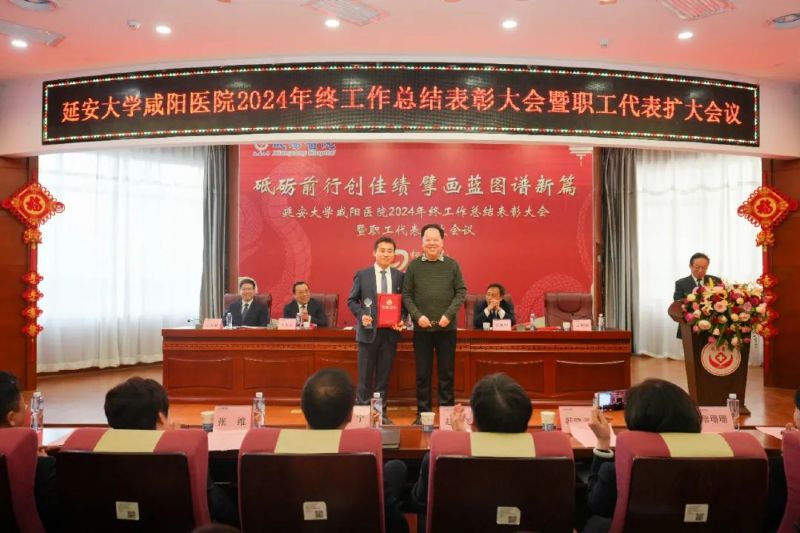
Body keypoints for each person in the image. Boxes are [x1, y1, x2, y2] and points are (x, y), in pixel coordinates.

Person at [104, 377, 238, 526]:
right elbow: (219, 508)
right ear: (161, 417)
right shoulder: (183, 457)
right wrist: (177, 441)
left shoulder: (103, 459)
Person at [584, 378, 702, 532]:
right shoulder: (714, 462)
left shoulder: (618, 471)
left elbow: (596, 505)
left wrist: (603, 442)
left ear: (635, 418)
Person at [300, 368, 408, 533]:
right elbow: (399, 527)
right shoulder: (365, 465)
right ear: (350, 415)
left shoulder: (278, 460)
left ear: (303, 410)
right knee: (396, 469)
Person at [405, 373, 533, 512]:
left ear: (473, 423)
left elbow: (419, 504)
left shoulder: (436, 459)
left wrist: (460, 441)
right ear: (525, 423)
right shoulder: (544, 457)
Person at [402, 224, 467, 425]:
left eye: (435, 239)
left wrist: (448, 314)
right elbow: (406, 295)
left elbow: (461, 291)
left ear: (442, 242)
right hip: (422, 330)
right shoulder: (414, 266)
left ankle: (447, 416)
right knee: (423, 374)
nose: (432, 243)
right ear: (422, 242)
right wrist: (417, 316)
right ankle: (423, 415)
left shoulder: (452, 265)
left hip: (447, 329)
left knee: (446, 374)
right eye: (428, 239)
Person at [347, 236, 406, 424]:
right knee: (364, 378)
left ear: (394, 254)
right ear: (374, 252)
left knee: (383, 378)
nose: (386, 254)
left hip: (390, 334)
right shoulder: (362, 275)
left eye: (390, 251)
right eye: (382, 250)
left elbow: (404, 304)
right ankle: (362, 416)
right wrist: (361, 314)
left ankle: (380, 414)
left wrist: (402, 320)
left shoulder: (399, 276)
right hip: (368, 333)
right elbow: (351, 300)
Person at [0, 371, 59, 532]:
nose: (27, 408)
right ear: (11, 418)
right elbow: (53, 514)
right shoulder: (38, 466)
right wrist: (45, 461)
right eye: (24, 406)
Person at [672, 252, 722, 338]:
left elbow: (721, 300)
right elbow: (678, 303)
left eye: (704, 268)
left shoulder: (715, 280)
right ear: (690, 266)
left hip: (711, 328)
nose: (700, 270)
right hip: (689, 326)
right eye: (697, 267)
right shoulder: (681, 283)